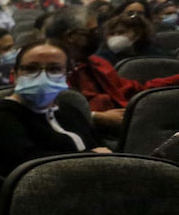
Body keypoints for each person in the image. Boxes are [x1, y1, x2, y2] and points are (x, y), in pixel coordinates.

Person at [0, 41, 110, 178]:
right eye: (31, 69)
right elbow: (27, 164)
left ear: (67, 75)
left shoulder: (70, 111)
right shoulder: (1, 114)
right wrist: (93, 157)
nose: (42, 76)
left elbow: (103, 149)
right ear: (15, 75)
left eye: (54, 69)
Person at [49, 7, 179, 132]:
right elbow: (48, 111)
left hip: (124, 125)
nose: (98, 35)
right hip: (87, 133)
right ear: (71, 36)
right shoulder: (46, 68)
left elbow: (131, 89)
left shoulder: (96, 63)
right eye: (93, 31)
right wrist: (95, 117)